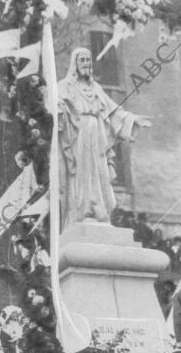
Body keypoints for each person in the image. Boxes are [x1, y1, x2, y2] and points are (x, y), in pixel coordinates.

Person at [57, 48, 151, 229]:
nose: (86, 63)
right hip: (78, 134)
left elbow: (114, 111)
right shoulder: (65, 86)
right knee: (82, 172)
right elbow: (55, 106)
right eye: (82, 60)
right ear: (75, 63)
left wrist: (134, 120)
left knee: (99, 173)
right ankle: (82, 212)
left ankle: (99, 212)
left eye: (88, 60)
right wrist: (59, 107)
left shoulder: (96, 88)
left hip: (97, 135)